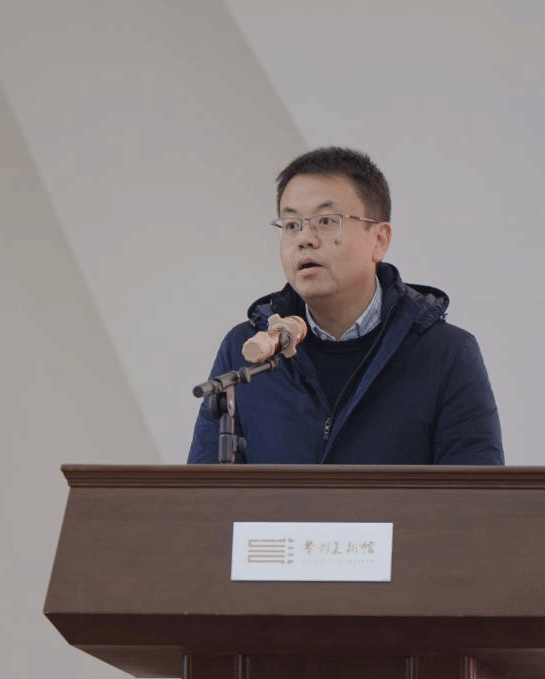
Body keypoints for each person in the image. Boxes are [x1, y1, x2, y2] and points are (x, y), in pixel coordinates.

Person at [187, 147, 503, 465]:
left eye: (326, 221)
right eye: (292, 224)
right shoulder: (245, 351)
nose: (304, 238)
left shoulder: (446, 354)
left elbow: (474, 492)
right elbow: (204, 490)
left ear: (379, 240)